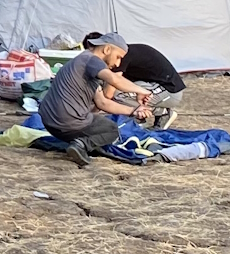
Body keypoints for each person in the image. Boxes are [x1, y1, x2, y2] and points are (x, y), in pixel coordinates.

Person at [40, 35, 152, 166]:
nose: (117, 64)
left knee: (97, 122)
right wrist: (142, 90)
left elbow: (103, 103)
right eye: (118, 57)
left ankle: (79, 142)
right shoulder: (92, 59)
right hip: (68, 122)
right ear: (107, 49)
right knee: (111, 129)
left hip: (50, 123)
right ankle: (81, 145)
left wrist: (135, 110)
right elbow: (114, 80)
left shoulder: (82, 63)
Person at [85, 32, 183, 128]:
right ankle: (139, 117)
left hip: (170, 91)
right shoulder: (123, 51)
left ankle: (160, 114)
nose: (118, 64)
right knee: (115, 88)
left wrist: (88, 113)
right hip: (151, 84)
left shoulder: (118, 56)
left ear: (106, 49)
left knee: (117, 95)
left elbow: (108, 94)